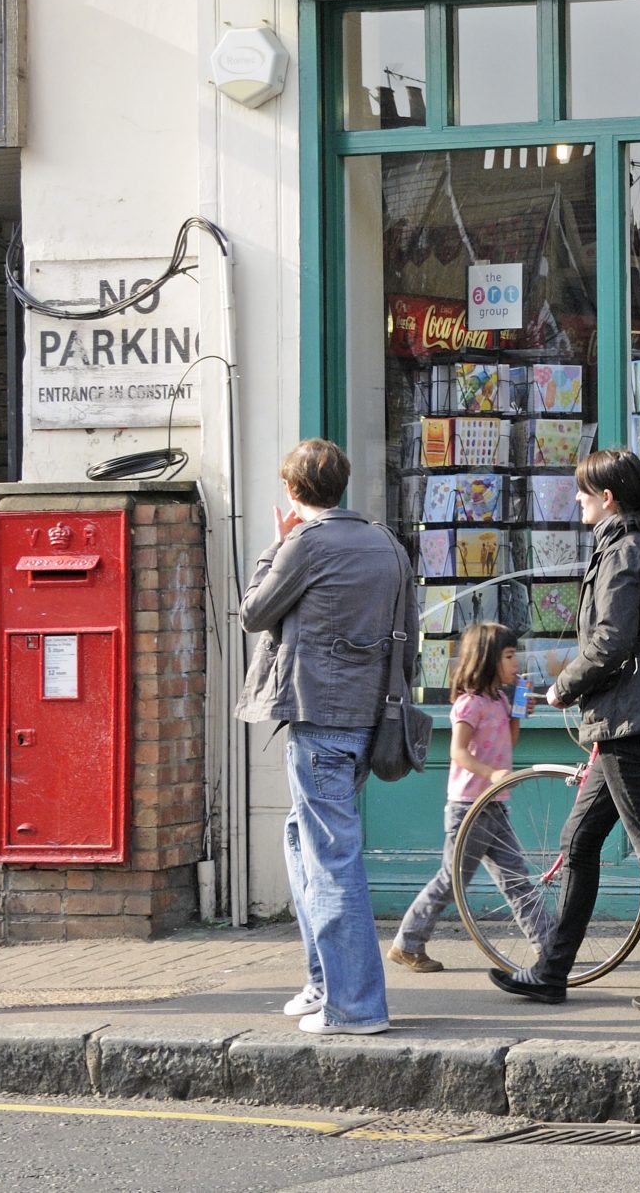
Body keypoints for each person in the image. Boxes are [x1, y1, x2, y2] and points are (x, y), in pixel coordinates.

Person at [492, 449, 640, 1011]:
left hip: (627, 719)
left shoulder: (622, 552)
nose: (576, 500)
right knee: (581, 840)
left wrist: (564, 685)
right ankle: (552, 971)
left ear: (607, 497)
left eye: (583, 493)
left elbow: (610, 641)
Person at [238, 438, 417, 1037]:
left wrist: (279, 539)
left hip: (321, 720)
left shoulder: (304, 545)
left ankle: (355, 1006)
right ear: (341, 485)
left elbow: (254, 612)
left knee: (332, 858)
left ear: (292, 492)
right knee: (303, 837)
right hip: (373, 720)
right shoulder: (387, 542)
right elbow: (409, 638)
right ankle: (322, 981)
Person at [388, 623, 553, 973]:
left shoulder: (500, 700)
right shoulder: (469, 704)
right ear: (488, 659)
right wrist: (490, 773)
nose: (516, 663)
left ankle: (551, 948)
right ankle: (408, 943)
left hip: (493, 803)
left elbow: (508, 742)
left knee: (516, 878)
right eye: (509, 656)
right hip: (468, 808)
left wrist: (518, 713)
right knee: (451, 882)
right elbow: (458, 752)